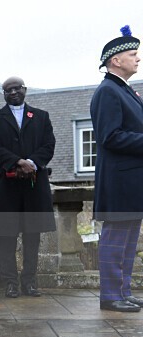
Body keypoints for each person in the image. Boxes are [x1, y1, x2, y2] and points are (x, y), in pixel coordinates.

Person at [0, 76, 56, 298]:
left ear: (25, 90)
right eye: (8, 90)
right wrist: (17, 162)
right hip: (6, 186)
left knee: (32, 235)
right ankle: (10, 283)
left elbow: (48, 145)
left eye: (17, 88)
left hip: (34, 184)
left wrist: (31, 162)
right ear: (3, 94)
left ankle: (30, 282)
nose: (13, 92)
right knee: (7, 236)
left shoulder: (42, 117)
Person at [91, 26, 143, 312]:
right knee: (116, 239)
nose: (138, 58)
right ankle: (111, 295)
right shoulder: (108, 91)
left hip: (131, 180)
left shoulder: (123, 90)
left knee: (129, 239)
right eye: (133, 54)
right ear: (115, 60)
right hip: (119, 180)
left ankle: (123, 290)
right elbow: (110, 136)